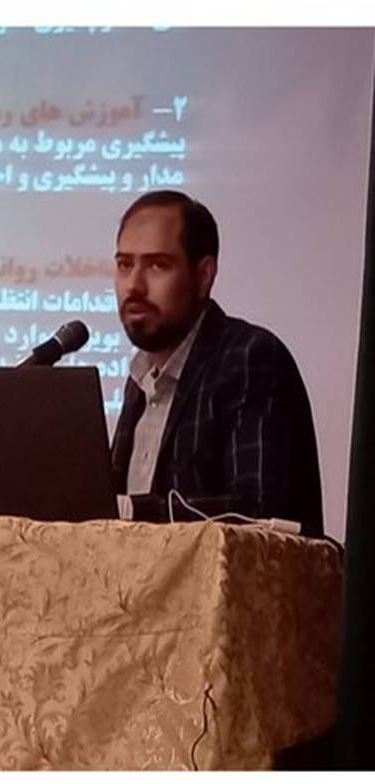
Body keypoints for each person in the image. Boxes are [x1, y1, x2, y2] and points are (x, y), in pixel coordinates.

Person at [109, 190, 324, 535]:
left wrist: (131, 510)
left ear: (203, 275)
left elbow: (258, 512)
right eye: (124, 265)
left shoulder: (249, 358)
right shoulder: (139, 380)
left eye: (157, 265)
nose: (133, 285)